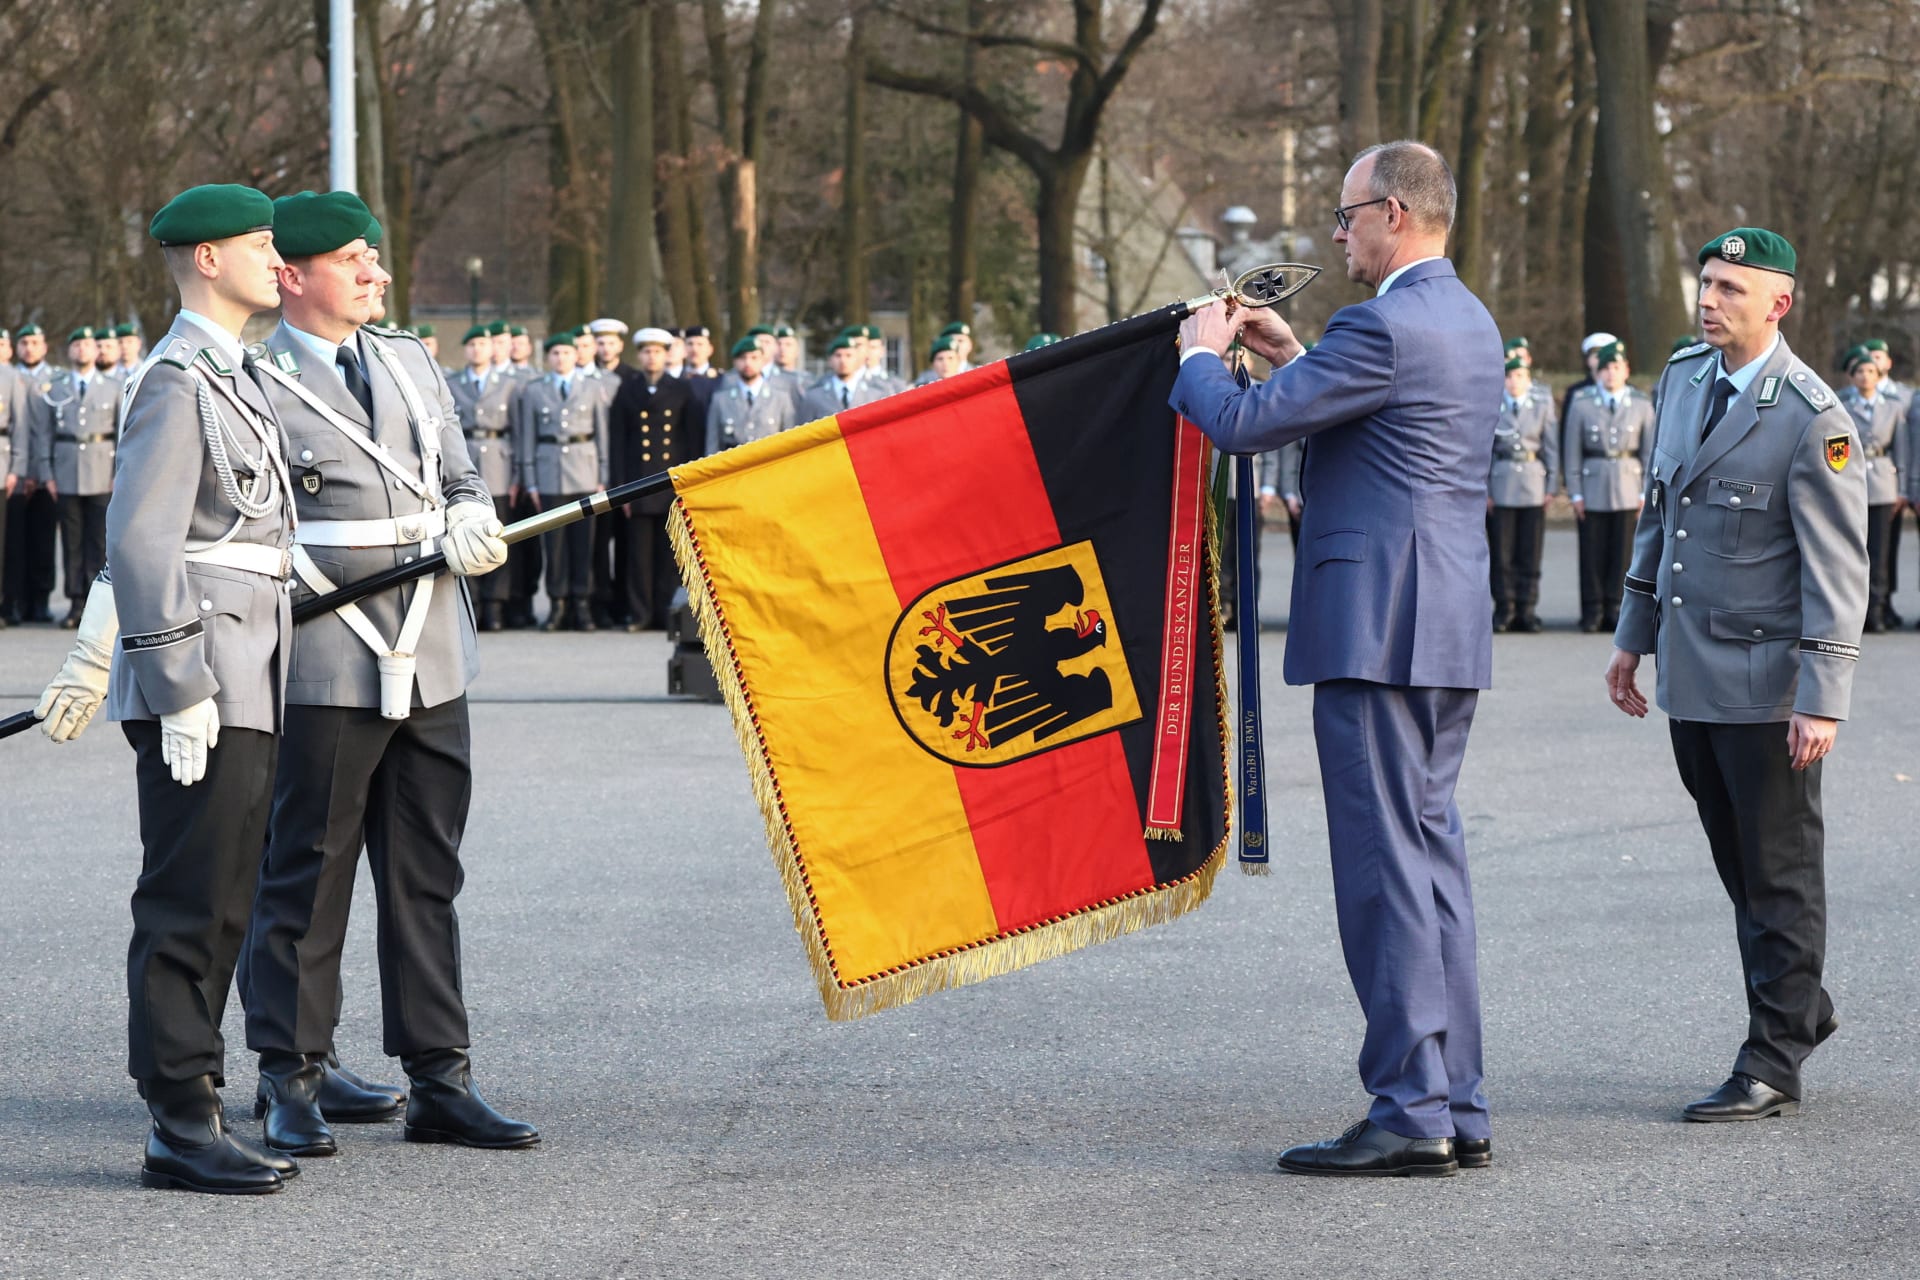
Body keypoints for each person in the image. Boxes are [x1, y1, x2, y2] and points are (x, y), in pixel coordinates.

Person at [1173, 140, 1500, 1177]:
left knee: (1383, 871)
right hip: (1441, 621)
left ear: (1394, 212)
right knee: (1432, 862)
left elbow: (1239, 426)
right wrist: (1291, 350)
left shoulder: (1383, 324)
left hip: (1377, 624)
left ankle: (1410, 1107)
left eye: (1347, 213)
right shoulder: (1462, 317)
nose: (1334, 231)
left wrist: (1198, 351)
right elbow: (1366, 407)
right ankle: (1456, 1100)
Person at [243, 189, 534, 1157]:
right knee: (307, 873)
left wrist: (467, 513)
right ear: (293, 276)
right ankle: (290, 1072)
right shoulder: (253, 376)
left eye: (375, 255)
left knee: (425, 874)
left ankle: (439, 1073)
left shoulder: (408, 360)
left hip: (433, 647)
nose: (377, 272)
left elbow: (455, 471)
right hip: (328, 656)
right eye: (355, 259)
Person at [36, 183, 299, 1193]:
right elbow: (141, 540)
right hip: (205, 679)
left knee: (228, 895)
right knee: (189, 897)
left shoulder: (236, 375)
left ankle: (201, 1099)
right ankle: (179, 1117)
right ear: (204, 259)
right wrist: (177, 678)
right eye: (261, 245)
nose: (279, 262)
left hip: (250, 671)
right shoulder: (176, 381)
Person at [1605, 227, 1867, 1121]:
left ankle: (1774, 1058)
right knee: (1740, 863)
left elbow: (1838, 571)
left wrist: (1821, 698)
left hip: (1767, 688)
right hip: (1690, 673)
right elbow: (1659, 518)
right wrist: (1630, 636)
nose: (1708, 300)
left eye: (1729, 289)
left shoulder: (1814, 418)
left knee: (1780, 869)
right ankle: (1801, 1006)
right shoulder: (1682, 379)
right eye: (1706, 282)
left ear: (1778, 304)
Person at [513, 331, 609, 631]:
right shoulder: (534, 390)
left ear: (576, 356)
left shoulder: (593, 387)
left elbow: (602, 434)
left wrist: (603, 476)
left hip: (584, 470)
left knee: (584, 543)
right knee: (553, 546)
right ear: (548, 357)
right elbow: (527, 437)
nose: (561, 358)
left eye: (567, 353)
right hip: (549, 471)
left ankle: (581, 605)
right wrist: (531, 482)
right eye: (555, 353)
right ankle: (557, 604)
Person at [28, 326, 122, 627]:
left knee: (98, 540)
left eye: (87, 345)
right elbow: (44, 435)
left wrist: (118, 473)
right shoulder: (55, 389)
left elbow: (121, 433)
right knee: (71, 541)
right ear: (69, 352)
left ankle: (97, 604)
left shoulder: (113, 387)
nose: (82, 350)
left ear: (96, 352)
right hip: (66, 471)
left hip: (100, 471)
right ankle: (75, 603)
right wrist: (47, 473)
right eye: (76, 345)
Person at [609, 326, 702, 629]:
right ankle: (640, 613)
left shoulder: (682, 389)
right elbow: (618, 441)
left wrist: (689, 484)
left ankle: (667, 614)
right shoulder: (628, 389)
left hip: (669, 482)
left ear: (666, 354)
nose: (652, 357)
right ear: (640, 355)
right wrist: (620, 488)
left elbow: (692, 441)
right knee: (638, 556)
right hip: (637, 483)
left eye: (658, 351)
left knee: (669, 555)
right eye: (647, 352)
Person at [1561, 341, 1654, 632]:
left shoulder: (1640, 404)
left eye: (1616, 367)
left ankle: (1616, 609)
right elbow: (1572, 451)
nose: (1611, 374)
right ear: (1597, 373)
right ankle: (1592, 610)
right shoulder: (1582, 403)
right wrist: (1574, 491)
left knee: (1622, 554)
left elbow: (1649, 453)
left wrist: (1644, 491)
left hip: (1628, 486)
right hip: (1592, 486)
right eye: (1605, 369)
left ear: (1626, 370)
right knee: (1591, 553)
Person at [449, 323, 518, 631]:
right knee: (465, 532)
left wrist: (519, 474)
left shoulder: (509, 384)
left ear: (492, 349)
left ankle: (495, 604)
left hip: (499, 465)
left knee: (498, 534)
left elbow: (520, 432)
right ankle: (472, 601)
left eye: (482, 345)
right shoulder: (452, 382)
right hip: (465, 461)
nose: (477, 350)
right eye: (472, 345)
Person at [1488, 353, 1558, 633]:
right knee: (1501, 553)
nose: (1513, 381)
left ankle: (1527, 609)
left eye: (1519, 376)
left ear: (1529, 380)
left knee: (1530, 552)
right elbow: (1485, 451)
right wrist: (1486, 490)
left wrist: (1552, 486)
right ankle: (1505, 608)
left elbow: (1550, 447)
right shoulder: (1493, 405)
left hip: (1532, 483)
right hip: (1502, 482)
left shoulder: (1541, 405)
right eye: (1508, 376)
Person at [1836, 345, 1903, 632]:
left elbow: (1903, 450)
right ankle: (1852, 612)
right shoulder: (1842, 407)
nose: (1865, 377)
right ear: (1851, 378)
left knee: (1879, 551)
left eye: (1870, 372)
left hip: (1883, 484)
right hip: (1852, 482)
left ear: (1879, 375)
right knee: (1851, 550)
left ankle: (1875, 610)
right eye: (1860, 372)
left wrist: (1904, 490)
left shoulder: (1893, 407)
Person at [5, 324, 59, 624]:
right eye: (24, 342)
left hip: (47, 472)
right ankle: (17, 599)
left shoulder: (57, 379)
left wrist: (45, 470)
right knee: (15, 540)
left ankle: (41, 599)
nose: (29, 348)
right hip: (16, 470)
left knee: (43, 539)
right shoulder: (10, 378)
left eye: (35, 342)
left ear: (44, 347)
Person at [706, 335, 797, 453]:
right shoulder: (721, 400)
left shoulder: (780, 399)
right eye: (743, 358)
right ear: (735, 362)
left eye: (754, 357)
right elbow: (712, 445)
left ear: (763, 361)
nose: (748, 363)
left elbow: (789, 442)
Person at [799, 332, 889, 420]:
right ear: (830, 360)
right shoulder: (814, 396)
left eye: (849, 355)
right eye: (838, 355)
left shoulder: (874, 395)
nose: (843, 360)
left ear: (857, 360)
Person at [1559, 330, 1616, 425]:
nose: (1602, 361)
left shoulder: (1630, 392)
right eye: (1597, 356)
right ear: (1588, 360)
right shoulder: (1575, 393)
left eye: (1607, 357)